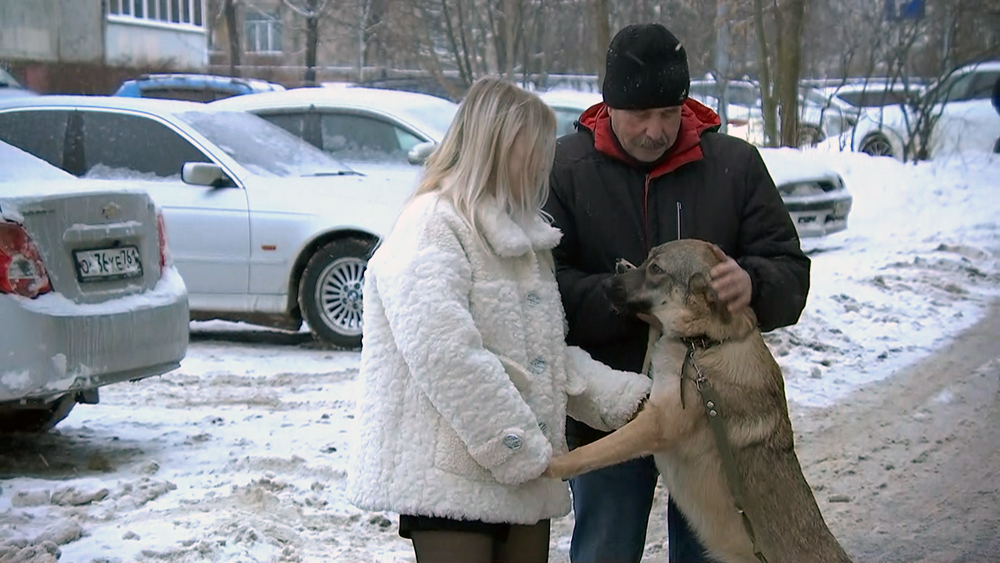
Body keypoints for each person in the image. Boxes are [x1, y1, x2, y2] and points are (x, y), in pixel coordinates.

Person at [347, 76, 653, 563]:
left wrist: (627, 400)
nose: (540, 165)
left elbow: (545, 358)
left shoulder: (524, 239)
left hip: (522, 478)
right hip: (452, 481)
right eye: (528, 150)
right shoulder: (431, 224)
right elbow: (445, 356)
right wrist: (515, 446)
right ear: (492, 146)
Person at [544, 23, 811, 563]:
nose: (654, 130)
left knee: (708, 555)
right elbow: (544, 287)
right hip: (608, 400)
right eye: (639, 115)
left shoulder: (733, 166)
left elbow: (790, 271)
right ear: (608, 104)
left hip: (717, 417)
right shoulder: (565, 167)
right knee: (603, 550)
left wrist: (753, 284)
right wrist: (630, 301)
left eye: (668, 112)